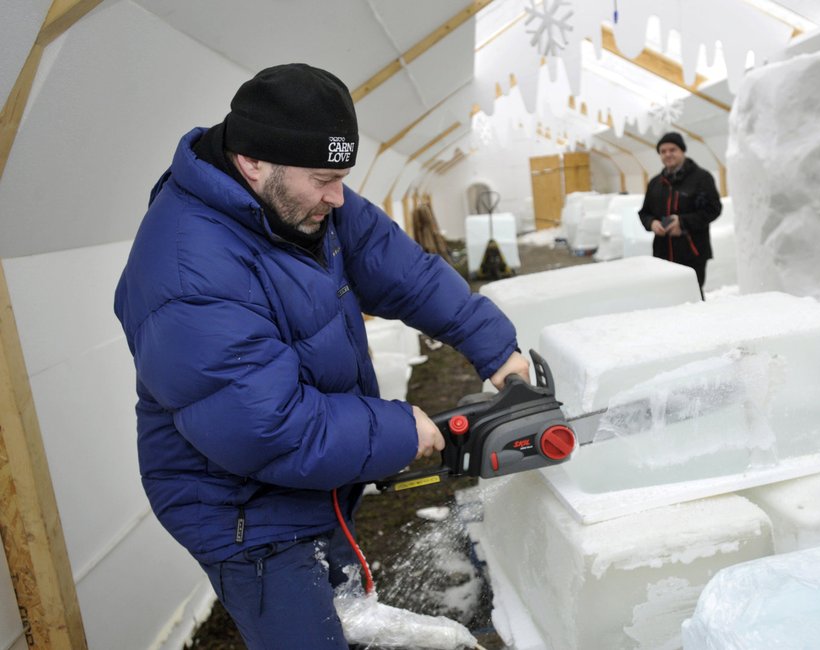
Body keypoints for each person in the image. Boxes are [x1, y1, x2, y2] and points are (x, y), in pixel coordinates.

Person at [114, 63, 528, 649]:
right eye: (324, 179)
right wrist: (398, 428)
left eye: (342, 176)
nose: (338, 196)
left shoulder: (300, 197)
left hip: (311, 476)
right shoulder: (185, 269)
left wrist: (496, 349)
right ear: (254, 162)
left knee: (346, 615)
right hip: (244, 514)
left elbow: (403, 272)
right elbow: (264, 427)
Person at [638, 131, 722, 298]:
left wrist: (682, 222)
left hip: (692, 251)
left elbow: (713, 209)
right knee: (667, 295)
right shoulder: (656, 183)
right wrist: (652, 223)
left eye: (672, 149)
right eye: (663, 151)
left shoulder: (701, 178)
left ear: (682, 151)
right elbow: (644, 212)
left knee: (691, 296)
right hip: (662, 253)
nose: (668, 154)